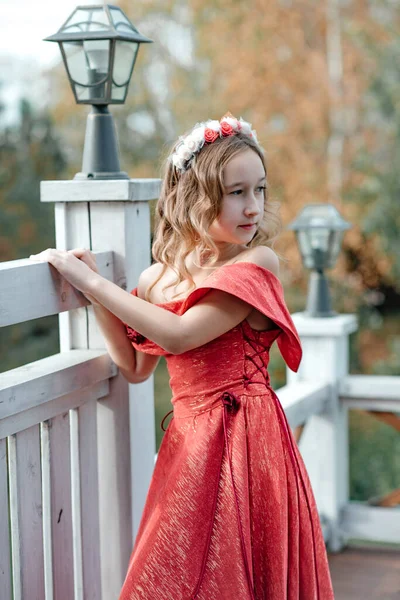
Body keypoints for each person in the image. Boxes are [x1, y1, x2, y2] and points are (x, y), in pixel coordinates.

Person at [30, 113, 334, 599]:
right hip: (191, 444)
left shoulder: (255, 263)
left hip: (249, 444)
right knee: (173, 566)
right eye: (236, 192)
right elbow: (133, 367)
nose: (253, 207)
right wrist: (97, 296)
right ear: (194, 195)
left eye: (259, 190)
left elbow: (178, 336)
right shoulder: (156, 280)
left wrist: (93, 282)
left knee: (243, 570)